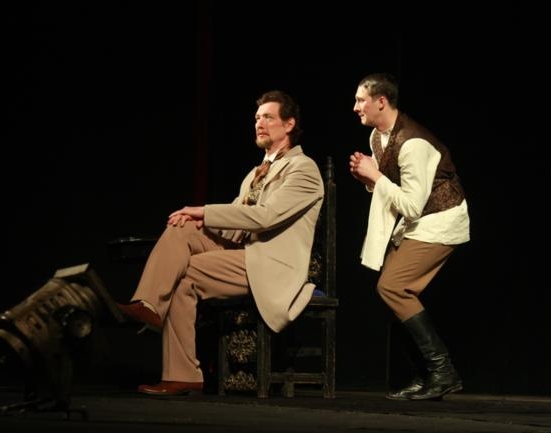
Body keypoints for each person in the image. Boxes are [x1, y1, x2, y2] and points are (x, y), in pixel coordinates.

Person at [117, 90, 324, 396]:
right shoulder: (254, 174)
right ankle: (149, 307)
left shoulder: (303, 169)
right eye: (257, 118)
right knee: (182, 227)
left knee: (186, 273)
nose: (259, 124)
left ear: (289, 124)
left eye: (268, 117)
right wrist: (199, 220)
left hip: (272, 265)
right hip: (244, 254)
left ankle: (182, 372)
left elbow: (265, 217)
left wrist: (205, 211)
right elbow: (236, 226)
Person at [349, 73, 470, 401]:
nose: (356, 107)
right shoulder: (377, 137)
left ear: (381, 102)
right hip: (418, 221)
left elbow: (412, 205)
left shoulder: (413, 143)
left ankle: (443, 371)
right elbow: (395, 188)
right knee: (391, 293)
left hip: (441, 219)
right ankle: (427, 373)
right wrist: (370, 179)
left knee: (392, 286)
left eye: (361, 100)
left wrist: (375, 176)